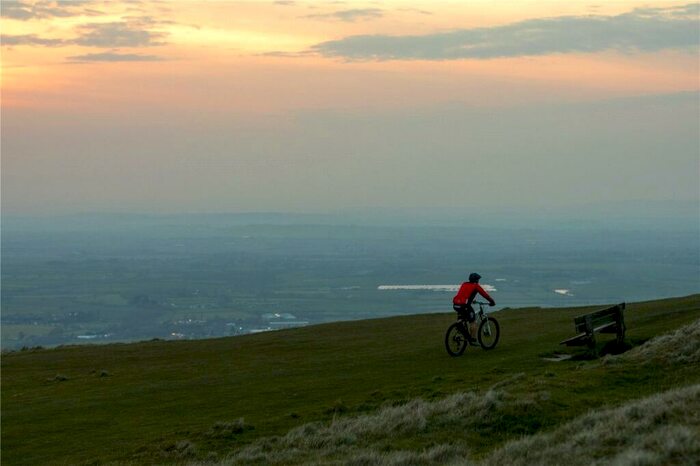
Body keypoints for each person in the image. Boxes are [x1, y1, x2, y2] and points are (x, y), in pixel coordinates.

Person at [453, 272, 495, 345]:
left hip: (456, 305)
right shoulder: (476, 286)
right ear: (476, 280)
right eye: (478, 280)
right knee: (473, 322)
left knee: (462, 319)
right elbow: (485, 295)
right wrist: (492, 302)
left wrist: (471, 301)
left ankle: (460, 327)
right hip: (464, 306)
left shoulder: (464, 284)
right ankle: (473, 339)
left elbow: (464, 294)